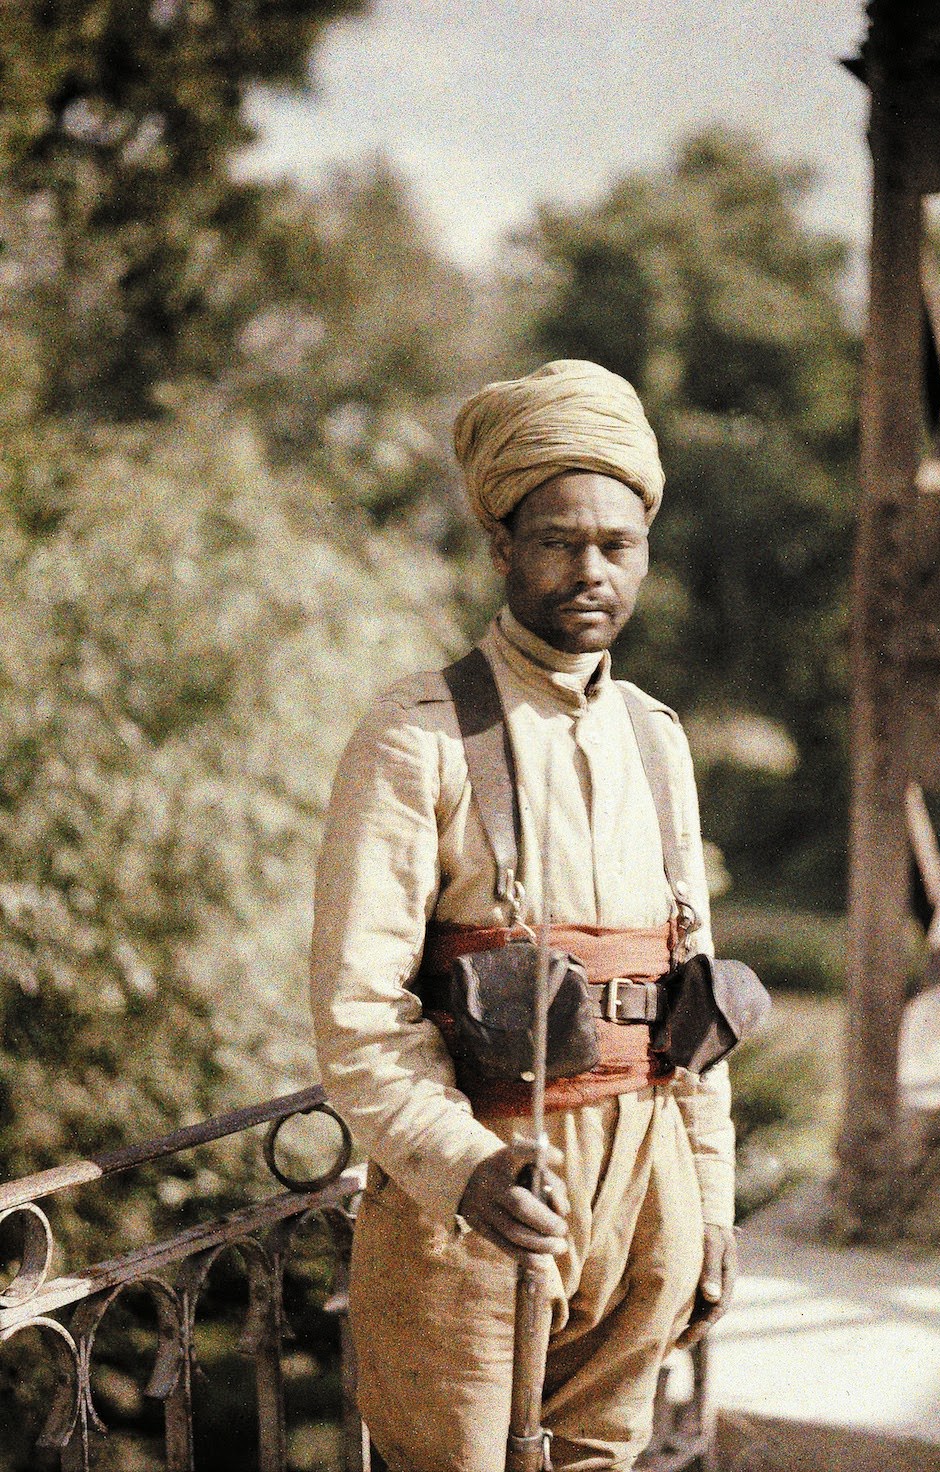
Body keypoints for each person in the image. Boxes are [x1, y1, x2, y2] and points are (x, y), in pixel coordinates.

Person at [310, 359, 736, 1472]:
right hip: (485, 1187)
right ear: (502, 545)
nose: (591, 567)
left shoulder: (656, 734)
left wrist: (710, 1202)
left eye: (618, 542)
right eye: (557, 538)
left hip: (646, 1185)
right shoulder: (416, 735)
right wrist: (462, 1165)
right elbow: (358, 1014)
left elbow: (696, 996)